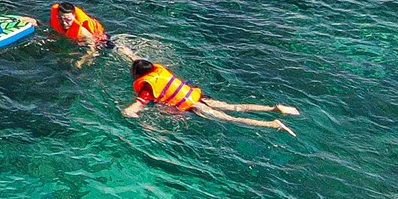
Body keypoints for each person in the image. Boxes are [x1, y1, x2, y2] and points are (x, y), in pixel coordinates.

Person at [123, 58, 300, 135]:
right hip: (200, 97)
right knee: (235, 107)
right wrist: (127, 53)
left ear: (137, 74)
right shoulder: (157, 71)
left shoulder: (147, 88)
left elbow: (134, 109)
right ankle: (274, 108)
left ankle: (271, 124)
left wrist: (131, 117)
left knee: (231, 119)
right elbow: (138, 60)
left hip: (194, 106)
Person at [48, 2, 113, 57]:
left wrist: (82, 59)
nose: (64, 23)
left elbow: (92, 48)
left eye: (68, 19)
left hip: (102, 41)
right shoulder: (55, 21)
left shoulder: (82, 31)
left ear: (74, 17)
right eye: (60, 18)